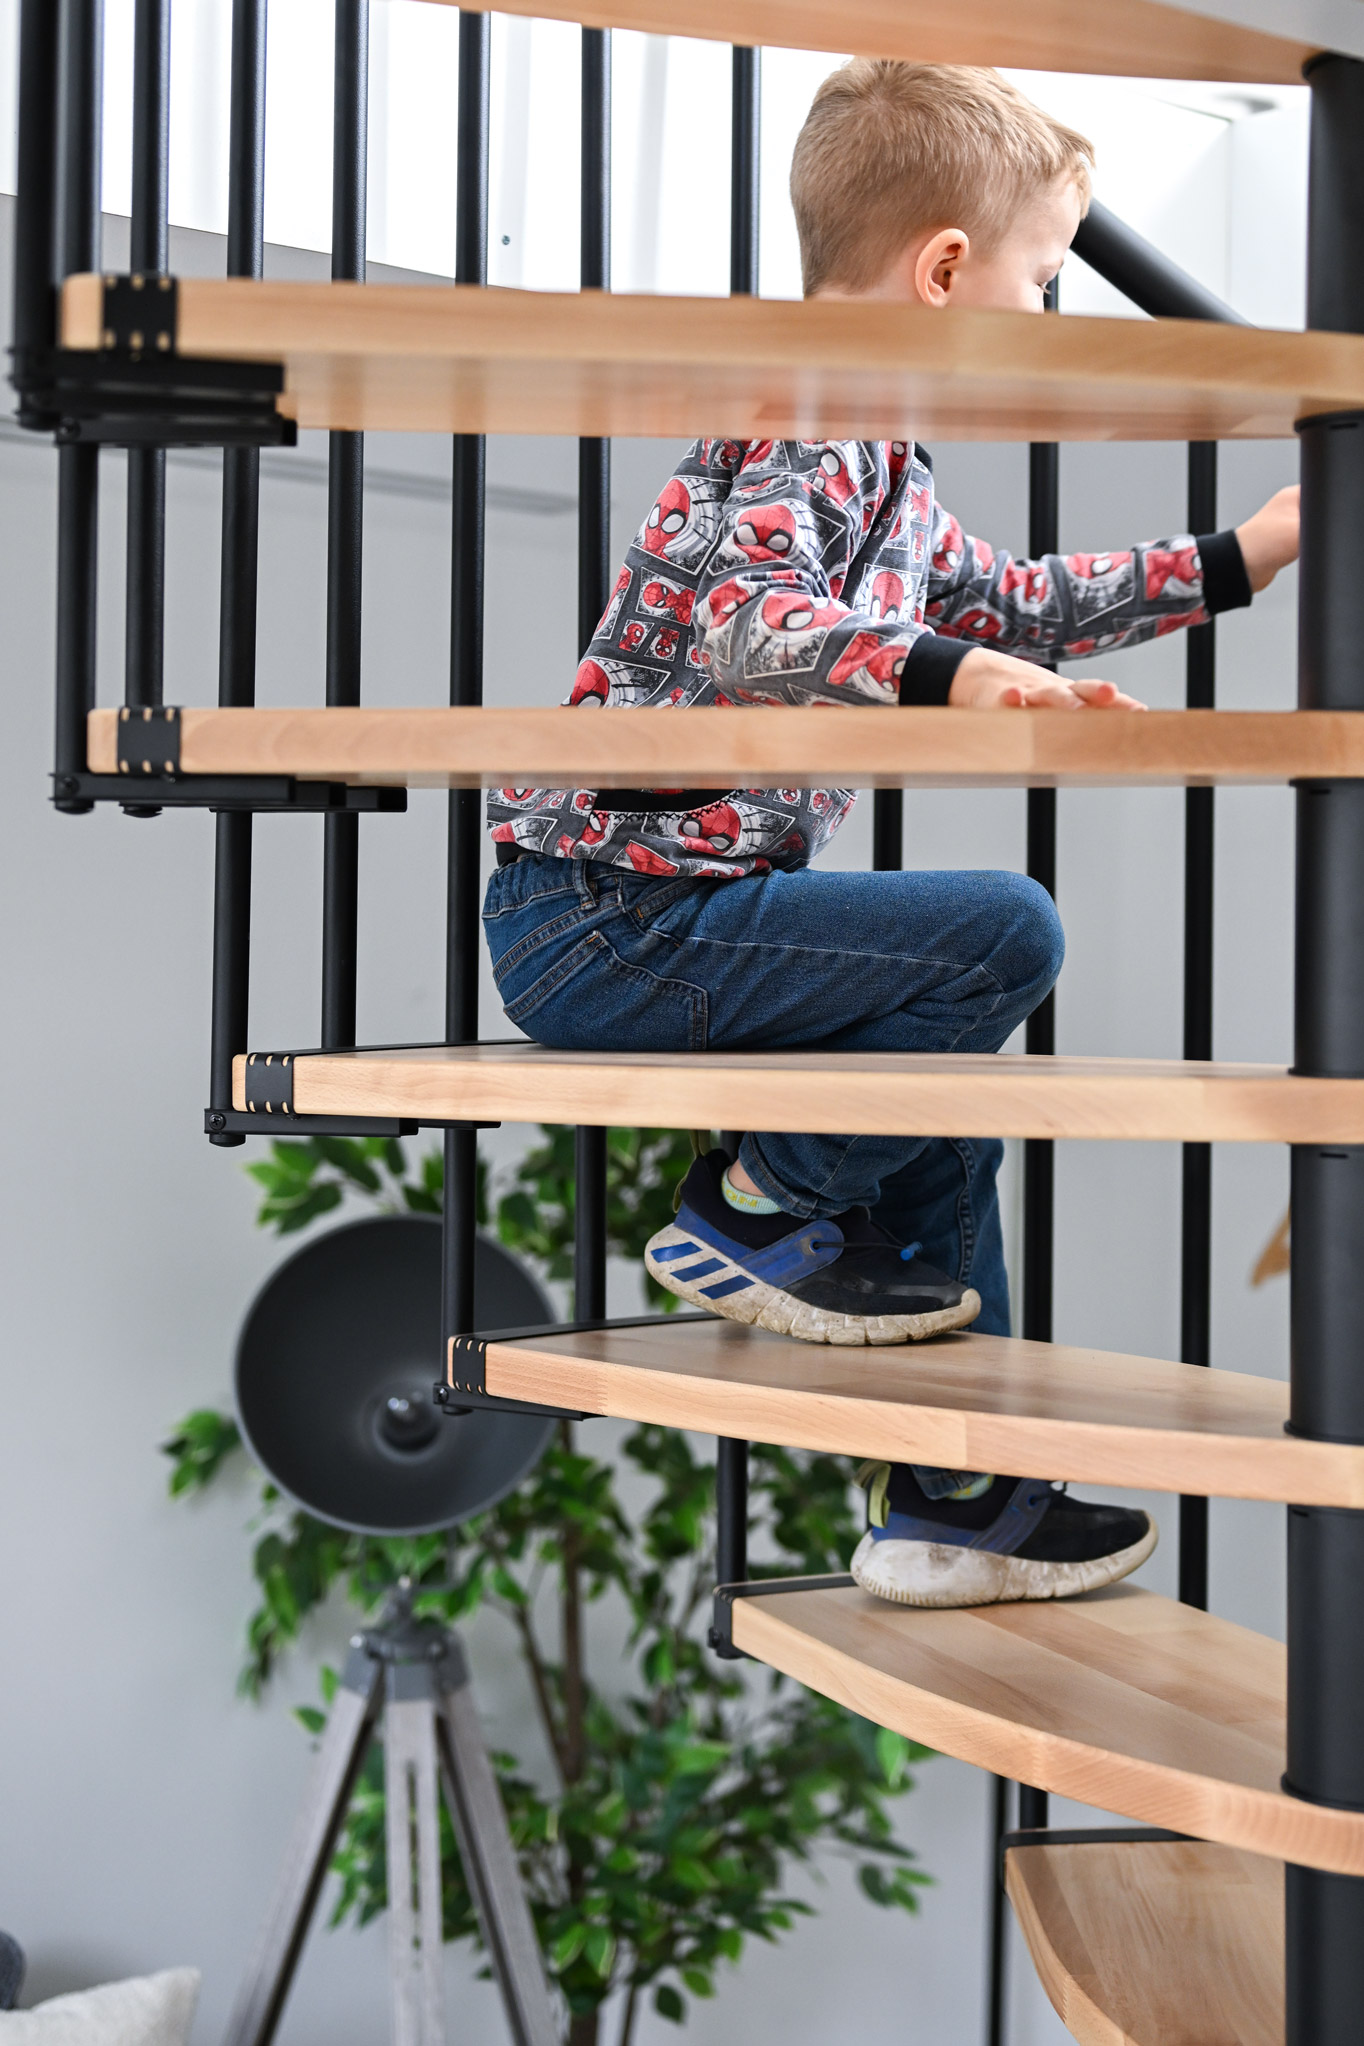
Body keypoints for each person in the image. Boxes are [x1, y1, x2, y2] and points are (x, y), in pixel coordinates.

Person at [482, 62, 1300, 1608]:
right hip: (606, 916)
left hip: (660, 916)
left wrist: (1240, 555)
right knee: (1007, 930)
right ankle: (758, 1204)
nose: (1046, 313)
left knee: (943, 1108)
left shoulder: (888, 464)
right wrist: (955, 675)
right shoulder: (808, 412)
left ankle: (952, 1500)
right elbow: (746, 615)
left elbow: (1016, 601)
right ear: (944, 271)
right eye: (1042, 280)